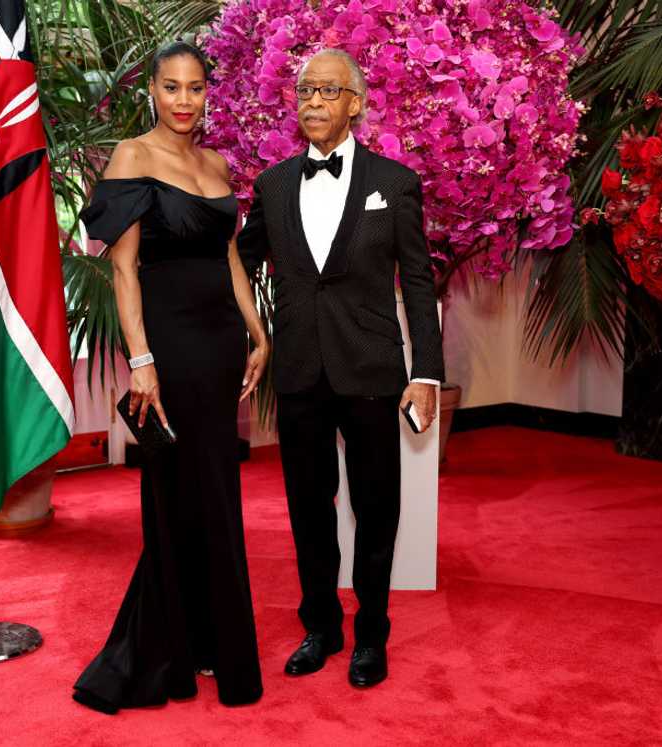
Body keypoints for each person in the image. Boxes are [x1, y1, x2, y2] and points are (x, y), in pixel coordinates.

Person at [237, 49, 444, 689]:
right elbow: (235, 264)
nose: (314, 101)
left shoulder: (396, 181)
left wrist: (427, 374)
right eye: (305, 90)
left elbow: (416, 280)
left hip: (373, 369)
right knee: (308, 507)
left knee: (377, 507)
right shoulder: (271, 186)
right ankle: (321, 627)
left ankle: (371, 635)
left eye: (329, 90)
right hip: (299, 370)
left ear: (355, 103)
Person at [72, 41, 268, 714]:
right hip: (170, 343)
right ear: (151, 90)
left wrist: (259, 331)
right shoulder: (132, 156)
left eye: (195, 88)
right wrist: (142, 359)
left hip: (219, 343)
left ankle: (210, 639)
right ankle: (171, 648)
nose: (184, 100)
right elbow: (124, 269)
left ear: (208, 93)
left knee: (216, 488)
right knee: (179, 489)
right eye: (172, 87)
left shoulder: (215, 163)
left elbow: (232, 261)